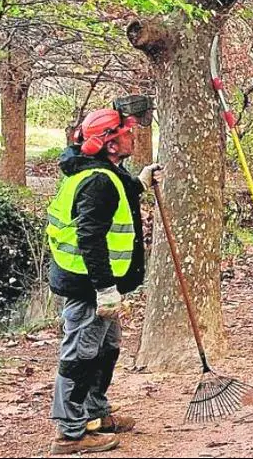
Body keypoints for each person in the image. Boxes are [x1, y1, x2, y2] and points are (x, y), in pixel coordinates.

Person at [46, 107, 160, 454]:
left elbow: (120, 188)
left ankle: (94, 412)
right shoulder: (97, 181)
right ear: (110, 143)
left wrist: (139, 182)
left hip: (95, 281)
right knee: (81, 354)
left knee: (106, 348)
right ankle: (70, 432)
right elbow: (89, 238)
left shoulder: (104, 171)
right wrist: (104, 289)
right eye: (126, 131)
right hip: (88, 284)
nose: (133, 135)